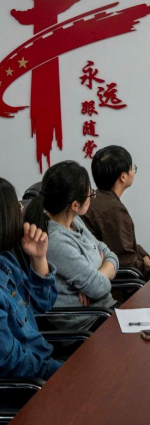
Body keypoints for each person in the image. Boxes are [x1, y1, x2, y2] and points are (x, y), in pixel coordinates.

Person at [24, 161, 118, 329]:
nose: (92, 197)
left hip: (103, 311)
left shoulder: (75, 220)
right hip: (87, 323)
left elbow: (109, 253)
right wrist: (95, 280)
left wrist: (95, 277)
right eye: (90, 194)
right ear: (75, 205)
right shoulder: (56, 241)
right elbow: (100, 287)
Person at [0, 177, 61, 379]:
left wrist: (38, 258)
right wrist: (59, 371)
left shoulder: (6, 260)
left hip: (41, 362)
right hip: (28, 382)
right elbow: (10, 361)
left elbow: (42, 304)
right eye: (16, 205)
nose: (21, 209)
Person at [81, 145, 150, 280]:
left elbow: (119, 245)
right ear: (123, 177)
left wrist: (143, 254)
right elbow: (126, 261)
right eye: (131, 168)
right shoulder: (114, 211)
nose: (133, 172)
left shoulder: (94, 199)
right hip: (117, 285)